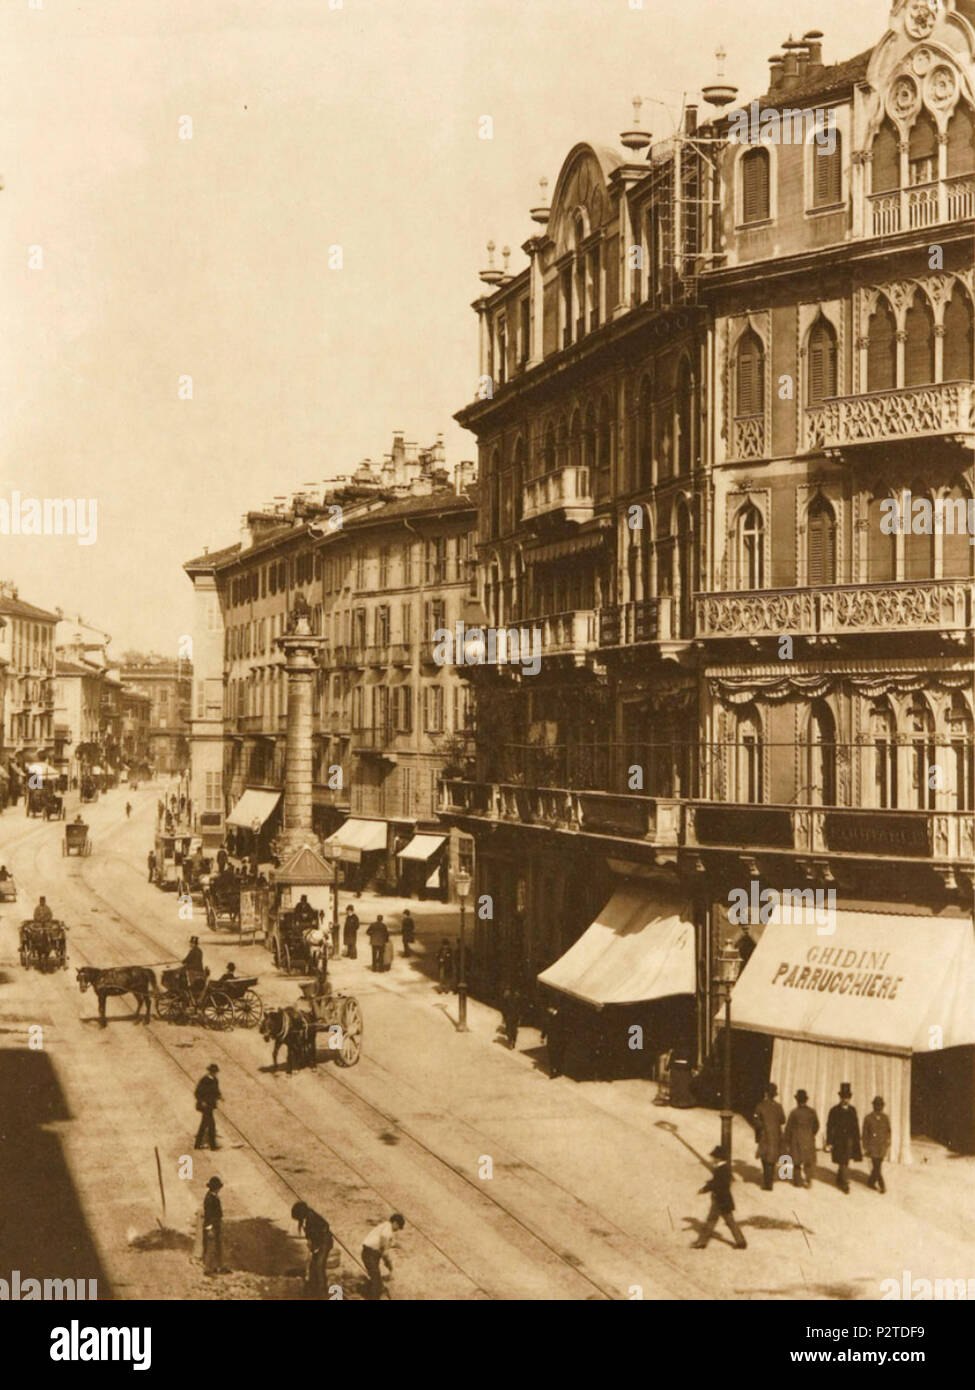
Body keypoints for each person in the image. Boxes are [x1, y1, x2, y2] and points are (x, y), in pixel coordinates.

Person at [692, 1145, 747, 1250]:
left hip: (720, 1199)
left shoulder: (722, 1169)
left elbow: (717, 1183)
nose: (712, 1159)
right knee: (728, 1221)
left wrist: (705, 1188)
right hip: (724, 1199)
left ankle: (702, 1242)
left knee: (713, 1220)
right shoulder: (723, 1168)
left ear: (719, 1158)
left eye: (714, 1157)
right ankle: (741, 1242)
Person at [292, 1201, 334, 1298]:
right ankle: (313, 1290)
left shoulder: (312, 1217)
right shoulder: (307, 1218)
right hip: (317, 1243)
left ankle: (322, 1293)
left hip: (324, 1243)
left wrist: (316, 1246)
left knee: (319, 1266)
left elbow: (326, 1226)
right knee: (312, 1266)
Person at [826, 1082, 862, 1194]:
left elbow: (856, 1126)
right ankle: (845, 1183)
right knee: (842, 1160)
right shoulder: (834, 1110)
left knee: (845, 1161)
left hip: (850, 1140)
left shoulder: (852, 1110)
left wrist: (857, 1140)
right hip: (838, 1140)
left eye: (847, 1097)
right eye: (843, 1097)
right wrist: (829, 1142)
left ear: (850, 1098)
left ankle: (841, 1177)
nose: (845, 1099)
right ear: (840, 1097)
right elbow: (830, 1126)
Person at [361, 1213, 405, 1300]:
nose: (398, 1230)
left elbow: (391, 1243)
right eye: (398, 1227)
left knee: (375, 1278)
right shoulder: (388, 1227)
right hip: (370, 1253)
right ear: (395, 1223)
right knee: (376, 1282)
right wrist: (388, 1262)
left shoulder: (386, 1228)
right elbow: (383, 1244)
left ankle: (369, 1294)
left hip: (373, 1254)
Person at [753, 1083, 786, 1190]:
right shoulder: (778, 1106)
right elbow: (783, 1120)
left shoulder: (760, 1105)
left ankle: (767, 1182)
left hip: (764, 1135)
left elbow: (756, 1121)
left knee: (764, 1157)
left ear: (766, 1093)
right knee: (772, 1158)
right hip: (776, 1135)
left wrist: (762, 1126)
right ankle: (769, 1181)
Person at [784, 1089, 819, 1188]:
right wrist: (811, 1134)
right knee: (808, 1161)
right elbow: (816, 1126)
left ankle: (798, 1181)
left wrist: (787, 1140)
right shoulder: (812, 1112)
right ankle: (808, 1180)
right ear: (806, 1100)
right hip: (809, 1139)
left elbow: (788, 1128)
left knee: (796, 1161)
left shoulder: (794, 1112)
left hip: (796, 1139)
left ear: (797, 1100)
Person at [862, 1096, 891, 1195]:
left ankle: (871, 1181)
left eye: (880, 1105)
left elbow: (888, 1131)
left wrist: (887, 1142)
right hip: (872, 1147)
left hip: (882, 1147)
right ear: (873, 1105)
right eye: (876, 1105)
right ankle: (882, 1185)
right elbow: (864, 1134)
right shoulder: (868, 1118)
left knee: (877, 1166)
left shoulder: (885, 1118)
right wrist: (866, 1146)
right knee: (877, 1166)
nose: (878, 1107)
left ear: (883, 1106)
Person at [202, 1176, 228, 1274]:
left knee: (217, 1246)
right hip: (212, 1226)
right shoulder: (210, 1198)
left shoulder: (213, 1196)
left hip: (216, 1225)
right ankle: (208, 1269)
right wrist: (209, 1229)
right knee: (210, 1247)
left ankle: (218, 1267)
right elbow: (208, 1215)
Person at [194, 1063, 221, 1150]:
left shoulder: (215, 1080)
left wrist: (219, 1096)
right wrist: (202, 1101)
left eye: (215, 1072)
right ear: (210, 1072)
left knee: (204, 1125)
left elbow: (216, 1091)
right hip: (205, 1106)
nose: (214, 1073)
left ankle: (197, 1145)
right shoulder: (204, 1080)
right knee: (211, 1125)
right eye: (213, 1072)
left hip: (210, 1106)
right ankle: (212, 1146)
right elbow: (197, 1092)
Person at [542, 1003, 566, 1079]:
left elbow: (564, 1029)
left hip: (559, 1040)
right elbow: (546, 1026)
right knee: (552, 1055)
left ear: (552, 1008)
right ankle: (553, 1072)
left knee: (558, 1056)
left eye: (549, 1008)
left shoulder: (561, 1017)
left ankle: (558, 1071)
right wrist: (542, 1037)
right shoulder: (549, 1016)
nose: (548, 1010)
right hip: (551, 1040)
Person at [500, 985, 521, 1050]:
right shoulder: (513, 999)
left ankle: (511, 1042)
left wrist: (504, 1016)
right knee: (513, 1029)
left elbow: (504, 1008)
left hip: (511, 1016)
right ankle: (512, 1041)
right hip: (513, 1016)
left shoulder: (509, 998)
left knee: (511, 1029)